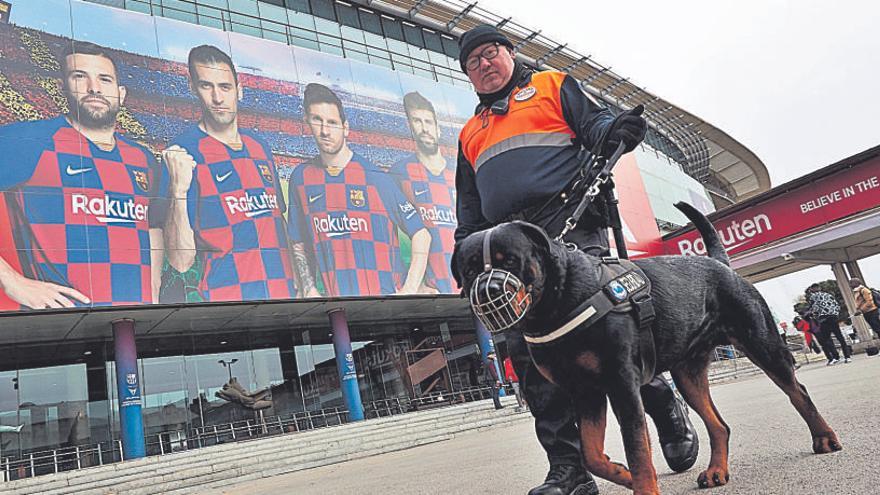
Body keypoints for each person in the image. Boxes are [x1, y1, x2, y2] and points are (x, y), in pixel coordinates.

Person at [453, 25, 698, 495]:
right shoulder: (469, 133)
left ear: (509, 53)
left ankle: (663, 402)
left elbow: (596, 126)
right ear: (468, 74)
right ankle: (569, 470)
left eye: (490, 53)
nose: (484, 65)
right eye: (473, 62)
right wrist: (465, 250)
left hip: (572, 232)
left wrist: (616, 129)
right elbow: (469, 208)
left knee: (611, 341)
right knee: (530, 358)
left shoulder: (551, 85)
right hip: (511, 255)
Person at [0, 41, 167, 308]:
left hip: (132, 319)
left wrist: (153, 291)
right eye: (80, 76)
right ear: (61, 87)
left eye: (104, 79)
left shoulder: (143, 158)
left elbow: (153, 226)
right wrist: (11, 281)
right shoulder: (28, 140)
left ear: (121, 93)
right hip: (61, 324)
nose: (94, 88)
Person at [161, 45, 295, 302]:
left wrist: (299, 286)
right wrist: (177, 190)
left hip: (285, 297)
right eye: (206, 86)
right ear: (193, 89)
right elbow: (180, 260)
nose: (218, 98)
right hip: (228, 300)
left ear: (239, 90)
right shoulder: (184, 151)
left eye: (225, 87)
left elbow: (280, 223)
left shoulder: (260, 146)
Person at [286, 83, 432, 297]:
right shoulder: (300, 178)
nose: (325, 131)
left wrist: (409, 289)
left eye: (332, 123)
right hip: (337, 305)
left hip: (384, 304)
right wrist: (309, 288)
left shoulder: (375, 177)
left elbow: (421, 234)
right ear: (307, 121)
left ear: (346, 127)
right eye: (317, 120)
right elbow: (298, 240)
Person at [389, 92, 457, 294]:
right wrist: (413, 284)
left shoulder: (458, 172)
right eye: (417, 121)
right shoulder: (399, 172)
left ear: (438, 128)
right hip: (432, 290)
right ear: (410, 127)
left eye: (428, 122)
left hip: (467, 282)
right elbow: (389, 235)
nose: (424, 128)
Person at [806, 283, 851, 364]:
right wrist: (835, 314)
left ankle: (835, 357)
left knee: (827, 339)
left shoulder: (813, 296)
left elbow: (814, 308)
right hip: (833, 317)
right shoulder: (828, 295)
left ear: (812, 289)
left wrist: (813, 314)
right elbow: (837, 305)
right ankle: (847, 356)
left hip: (823, 319)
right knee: (840, 337)